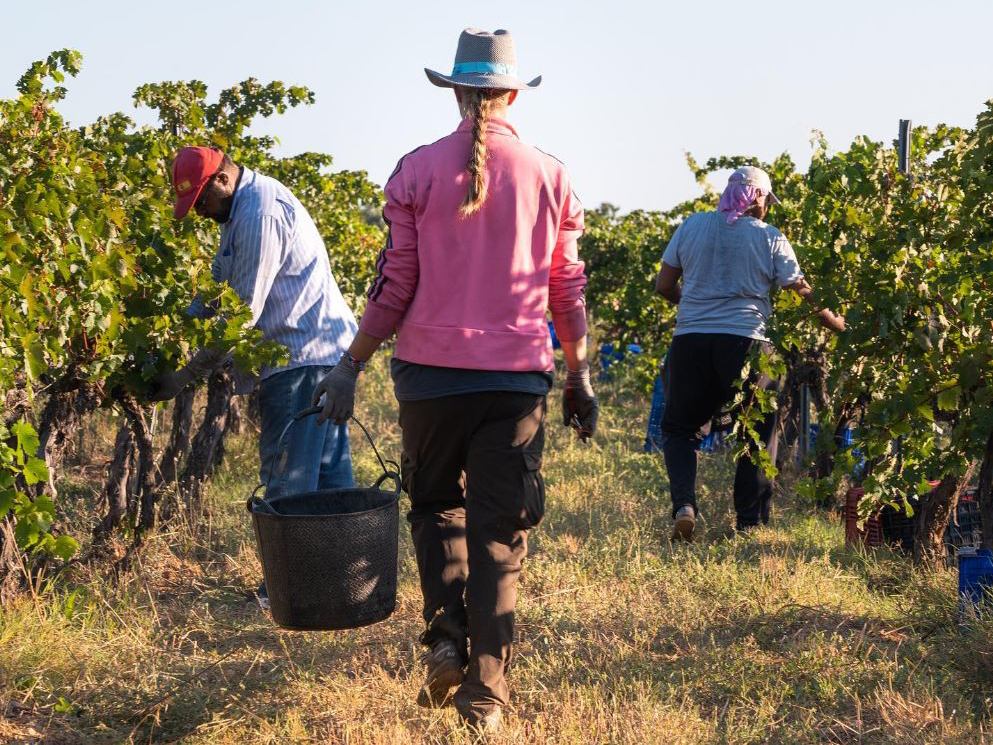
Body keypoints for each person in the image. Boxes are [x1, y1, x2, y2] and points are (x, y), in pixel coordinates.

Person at [312, 28, 597, 733]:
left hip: (429, 379)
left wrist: (351, 364)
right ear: (509, 93)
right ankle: (486, 692)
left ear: (457, 93)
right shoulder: (551, 174)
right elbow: (567, 291)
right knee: (498, 533)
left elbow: (394, 284)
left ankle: (444, 638)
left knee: (437, 507)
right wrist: (578, 376)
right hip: (515, 380)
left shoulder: (415, 170)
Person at [151, 147, 358, 605]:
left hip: (301, 357)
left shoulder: (258, 214)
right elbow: (216, 292)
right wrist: (171, 329)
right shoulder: (241, 210)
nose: (200, 214)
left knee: (289, 476)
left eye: (200, 202)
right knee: (327, 477)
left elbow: (239, 316)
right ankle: (342, 586)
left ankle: (286, 594)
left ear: (221, 181)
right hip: (314, 352)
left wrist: (182, 375)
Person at [654, 166, 845, 542]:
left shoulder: (691, 226)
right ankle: (750, 523)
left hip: (691, 340)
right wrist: (842, 327)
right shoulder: (770, 237)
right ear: (758, 198)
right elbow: (804, 293)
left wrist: (694, 306)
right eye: (766, 203)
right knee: (758, 433)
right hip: (749, 343)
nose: (767, 210)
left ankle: (685, 506)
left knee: (680, 429)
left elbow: (664, 286)